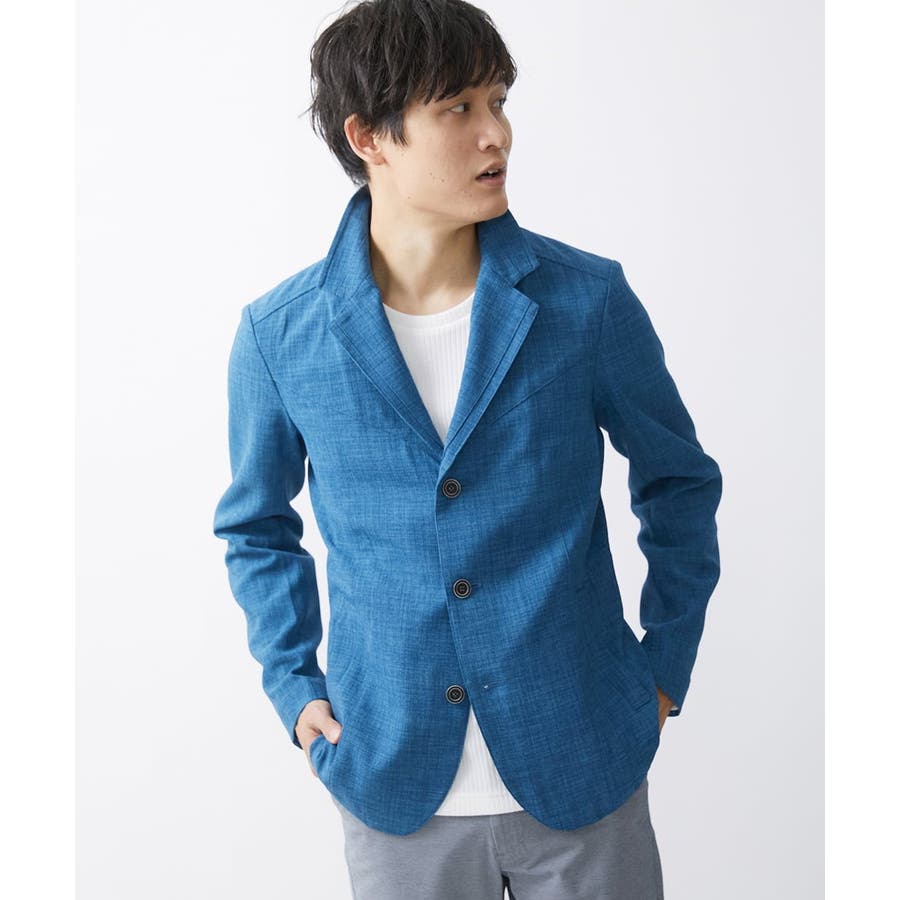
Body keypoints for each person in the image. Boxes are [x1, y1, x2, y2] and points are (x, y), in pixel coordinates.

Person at [212, 0, 722, 896]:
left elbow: (679, 481)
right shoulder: (280, 335)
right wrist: (294, 687)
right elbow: (256, 527)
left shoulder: (585, 301)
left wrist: (665, 668)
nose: (498, 134)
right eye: (459, 108)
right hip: (392, 778)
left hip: (586, 761)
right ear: (369, 137)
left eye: (499, 102)